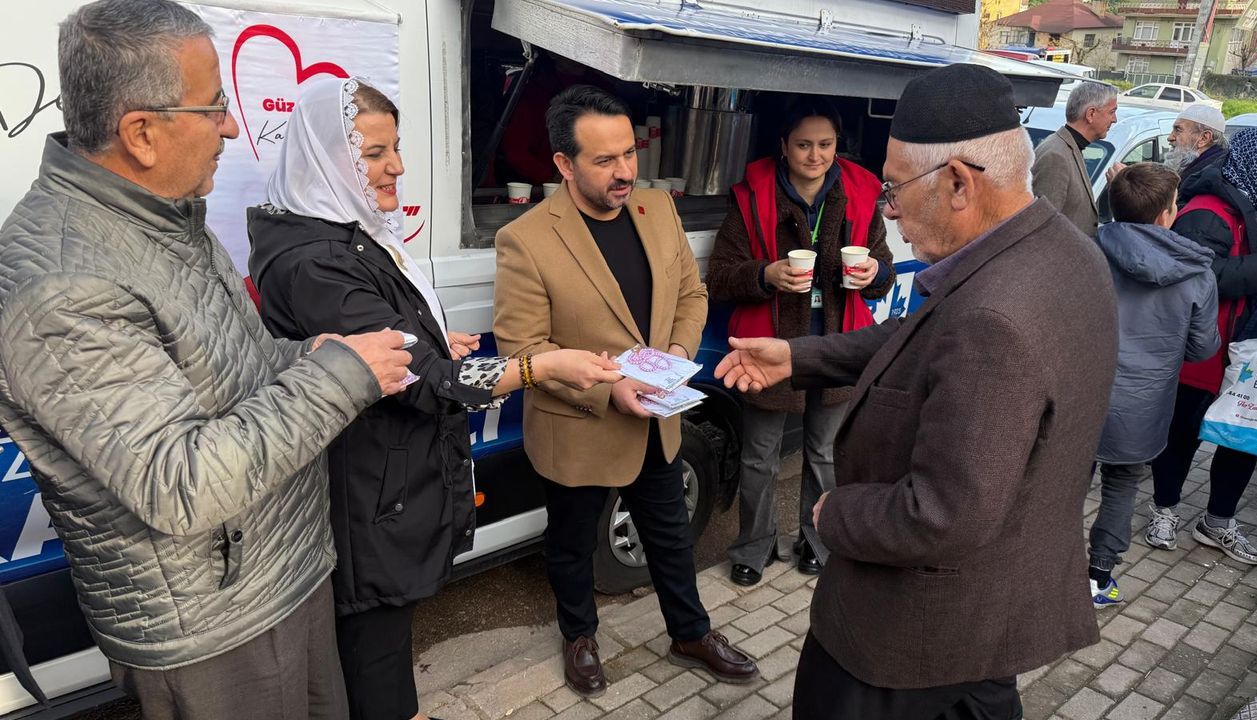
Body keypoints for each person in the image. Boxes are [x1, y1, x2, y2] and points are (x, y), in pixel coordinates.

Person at [0, 2, 415, 718]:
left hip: (280, 573)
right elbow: (178, 480)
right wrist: (343, 375)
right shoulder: (60, 284)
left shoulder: (166, 218)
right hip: (216, 626)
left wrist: (306, 355)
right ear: (141, 133)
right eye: (215, 106)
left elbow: (228, 375)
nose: (231, 126)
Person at [714, 64, 1117, 718]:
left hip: (908, 639)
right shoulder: (1062, 251)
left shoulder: (995, 317)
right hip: (984, 618)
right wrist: (796, 355)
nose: (888, 208)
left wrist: (830, 516)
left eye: (896, 188)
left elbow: (941, 512)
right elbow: (926, 336)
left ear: (958, 182)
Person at [246, 78, 621, 720]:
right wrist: (537, 366)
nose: (395, 166)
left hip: (382, 485)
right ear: (320, 157)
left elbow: (384, 341)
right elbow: (425, 381)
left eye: (395, 149)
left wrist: (426, 336)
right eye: (372, 154)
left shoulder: (346, 230)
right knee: (374, 660)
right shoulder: (314, 259)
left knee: (382, 655)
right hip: (362, 496)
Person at [492, 85, 758, 698]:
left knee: (670, 533)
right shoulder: (526, 240)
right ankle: (579, 638)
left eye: (629, 154)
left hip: (657, 419)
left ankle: (690, 632)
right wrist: (607, 390)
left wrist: (677, 359)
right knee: (571, 542)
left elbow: (691, 297)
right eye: (604, 161)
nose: (624, 173)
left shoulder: (656, 209)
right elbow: (522, 355)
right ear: (563, 164)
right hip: (580, 425)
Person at [706, 96, 894, 585]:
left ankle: (818, 541)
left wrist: (873, 273)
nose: (816, 155)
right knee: (758, 455)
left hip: (837, 345)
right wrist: (765, 274)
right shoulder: (751, 196)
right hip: (768, 349)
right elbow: (722, 277)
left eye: (826, 144)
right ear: (783, 146)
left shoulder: (858, 192)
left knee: (826, 452)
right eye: (804, 145)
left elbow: (882, 268)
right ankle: (755, 544)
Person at [1087, 162, 1219, 608]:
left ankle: (1045, 570)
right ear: (1167, 212)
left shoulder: (1085, 249)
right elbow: (1203, 349)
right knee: (1122, 486)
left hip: (1079, 393)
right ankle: (1097, 578)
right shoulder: (1197, 272)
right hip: (1142, 404)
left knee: (1061, 485)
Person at [1148, 124, 1257, 567]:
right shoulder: (1208, 208)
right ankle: (1164, 509)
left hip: (1250, 342)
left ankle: (1218, 521)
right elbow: (1196, 275)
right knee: (1182, 430)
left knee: (1243, 434)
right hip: (1205, 345)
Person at [1031, 81, 1118, 237]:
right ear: (1091, 114)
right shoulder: (1055, 155)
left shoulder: (1068, 147)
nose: (1115, 119)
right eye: (1112, 112)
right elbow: (1042, 229)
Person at [1167, 104, 1229, 199]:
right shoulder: (1200, 170)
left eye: (1178, 130)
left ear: (1203, 138)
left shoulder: (1210, 181)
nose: (1170, 137)